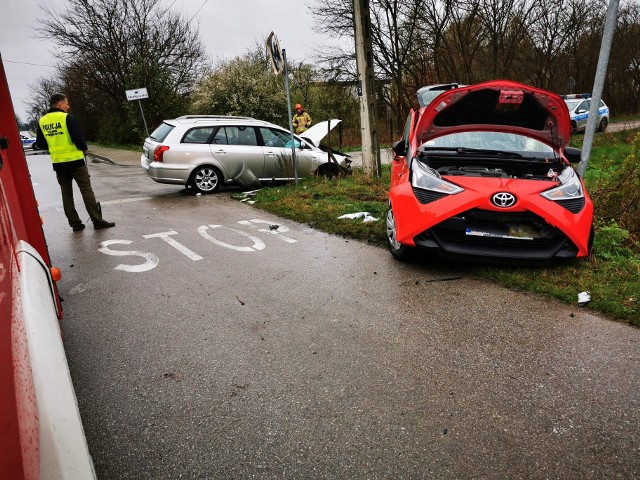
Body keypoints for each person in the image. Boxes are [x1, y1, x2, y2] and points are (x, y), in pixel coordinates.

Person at [35, 93, 115, 231]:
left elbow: (40, 144)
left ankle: (75, 223)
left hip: (58, 163)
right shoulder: (67, 118)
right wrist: (84, 149)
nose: (68, 106)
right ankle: (97, 221)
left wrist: (54, 146)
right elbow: (78, 139)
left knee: (66, 193)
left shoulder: (42, 121)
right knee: (86, 190)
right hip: (75, 161)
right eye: (66, 103)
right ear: (60, 104)